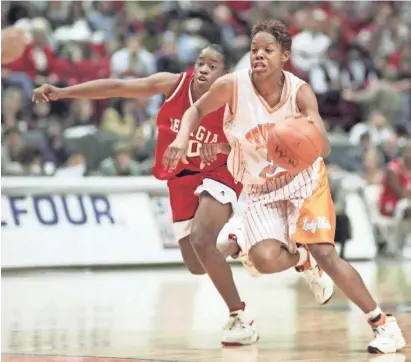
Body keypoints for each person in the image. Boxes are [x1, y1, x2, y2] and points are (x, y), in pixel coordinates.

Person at [32, 44, 331, 347]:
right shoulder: (173, 85)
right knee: (196, 263)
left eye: (212, 65)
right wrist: (63, 92)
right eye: (200, 62)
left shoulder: (235, 101)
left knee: (202, 238)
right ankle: (239, 243)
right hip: (182, 179)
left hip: (221, 172)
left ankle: (239, 317)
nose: (203, 69)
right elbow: (118, 86)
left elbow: (269, 139)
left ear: (224, 74)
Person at [163, 20, 406, 354]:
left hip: (303, 180)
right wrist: (183, 139)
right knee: (262, 260)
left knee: (327, 254)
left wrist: (297, 138)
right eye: (254, 50)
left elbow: (324, 148)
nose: (259, 55)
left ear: (285, 56)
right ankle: (301, 257)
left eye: (268, 50)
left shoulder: (299, 91)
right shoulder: (233, 86)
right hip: (261, 187)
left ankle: (383, 324)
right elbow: (195, 110)